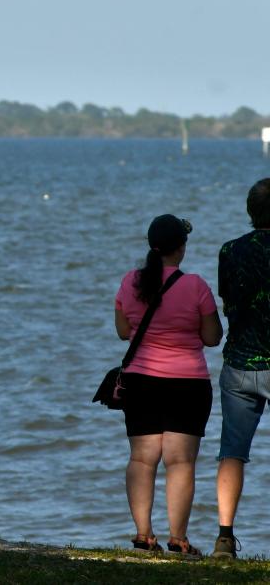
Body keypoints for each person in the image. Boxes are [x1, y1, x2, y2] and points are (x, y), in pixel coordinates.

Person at [114, 214, 222, 557]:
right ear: (181, 248)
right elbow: (212, 337)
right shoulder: (195, 286)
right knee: (180, 463)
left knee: (142, 460)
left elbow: (122, 331)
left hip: (141, 383)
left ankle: (144, 536)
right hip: (187, 385)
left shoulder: (130, 282)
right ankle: (178, 539)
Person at [213, 177, 270, 559]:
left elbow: (227, 300)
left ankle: (224, 538)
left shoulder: (229, 251)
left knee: (232, 453)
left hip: (238, 364)